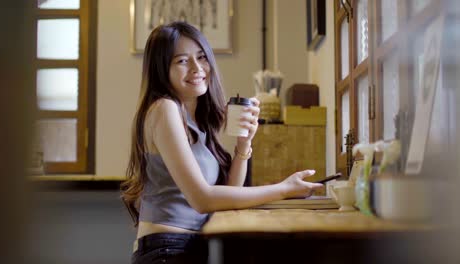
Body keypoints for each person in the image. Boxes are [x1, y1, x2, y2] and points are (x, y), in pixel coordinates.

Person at [122, 21, 323, 264]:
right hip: (165, 251)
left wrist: (243, 144)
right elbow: (203, 199)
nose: (197, 68)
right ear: (161, 69)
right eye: (182, 61)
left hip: (188, 249)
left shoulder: (197, 120)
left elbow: (229, 196)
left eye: (201, 57)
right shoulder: (164, 109)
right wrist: (284, 189)